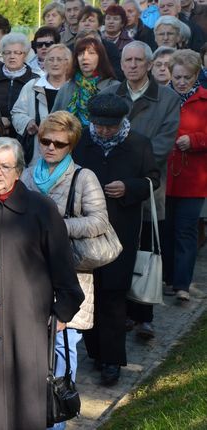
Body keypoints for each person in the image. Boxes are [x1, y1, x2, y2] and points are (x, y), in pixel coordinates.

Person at [0, 137, 84, 430]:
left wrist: (59, 317)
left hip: (27, 327)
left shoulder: (41, 209)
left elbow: (66, 274)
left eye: (5, 166)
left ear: (19, 171)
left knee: (25, 410)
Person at [21, 111, 109, 402]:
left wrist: (58, 226)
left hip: (70, 275)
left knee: (63, 347)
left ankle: (59, 412)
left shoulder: (84, 177)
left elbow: (99, 221)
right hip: (30, 274)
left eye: (59, 144)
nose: (50, 147)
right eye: (45, 140)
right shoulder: (27, 175)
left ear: (71, 146)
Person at [73, 93, 160, 386]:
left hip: (120, 231)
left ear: (122, 122)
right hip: (85, 230)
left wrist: (129, 187)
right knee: (88, 292)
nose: (104, 131)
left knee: (113, 293)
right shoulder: (81, 141)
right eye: (99, 126)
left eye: (110, 126)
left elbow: (153, 179)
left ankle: (112, 360)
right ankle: (96, 352)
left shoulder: (138, 144)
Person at [101, 41, 182, 338]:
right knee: (118, 254)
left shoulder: (168, 99)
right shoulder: (109, 94)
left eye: (139, 60)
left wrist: (131, 178)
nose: (133, 65)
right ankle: (119, 314)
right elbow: (98, 134)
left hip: (147, 189)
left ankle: (144, 315)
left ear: (149, 64)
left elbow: (163, 144)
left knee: (145, 254)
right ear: (121, 64)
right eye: (128, 60)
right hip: (112, 192)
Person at [163, 49, 207, 302]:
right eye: (177, 77)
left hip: (193, 177)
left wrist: (195, 140)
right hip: (165, 176)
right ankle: (168, 279)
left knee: (186, 230)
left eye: (186, 77)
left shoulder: (204, 100)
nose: (181, 82)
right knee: (167, 230)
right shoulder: (165, 98)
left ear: (196, 75)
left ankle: (182, 283)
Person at [12, 44, 73, 165]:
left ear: (68, 63)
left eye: (59, 59)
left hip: (68, 149)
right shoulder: (32, 86)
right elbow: (17, 113)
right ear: (44, 63)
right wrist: (27, 122)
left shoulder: (74, 89)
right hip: (37, 150)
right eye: (50, 59)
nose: (55, 63)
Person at [52, 37, 118, 126]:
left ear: (100, 58)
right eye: (80, 54)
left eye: (91, 53)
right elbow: (54, 120)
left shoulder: (114, 87)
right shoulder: (67, 87)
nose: (84, 57)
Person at [0, 32, 39, 137]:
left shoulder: (35, 81)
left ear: (25, 55)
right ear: (2, 54)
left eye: (17, 52)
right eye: (7, 52)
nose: (12, 56)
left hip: (25, 136)